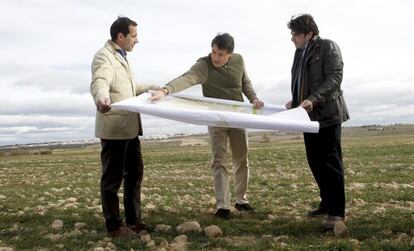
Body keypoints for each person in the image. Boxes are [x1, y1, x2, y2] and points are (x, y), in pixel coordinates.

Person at [150, 33, 264, 219]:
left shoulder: (239, 60)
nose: (216, 57)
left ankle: (241, 200)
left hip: (237, 116)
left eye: (221, 54)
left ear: (230, 55)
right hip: (215, 118)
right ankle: (223, 206)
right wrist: (165, 90)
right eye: (213, 52)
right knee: (219, 160)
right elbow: (187, 77)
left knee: (241, 159)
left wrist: (254, 98)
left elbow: (245, 82)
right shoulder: (203, 65)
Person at [285, 14, 350, 230]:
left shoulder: (328, 47)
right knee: (315, 161)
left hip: (328, 115)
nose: (292, 38)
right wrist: (295, 101)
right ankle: (326, 203)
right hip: (308, 118)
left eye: (296, 34)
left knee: (331, 163)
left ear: (309, 34)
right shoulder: (299, 53)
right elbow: (300, 81)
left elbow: (334, 78)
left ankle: (336, 213)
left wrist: (313, 99)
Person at [90, 16, 153, 237]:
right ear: (121, 36)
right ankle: (115, 226)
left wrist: (156, 89)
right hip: (115, 128)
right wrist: (102, 98)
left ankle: (134, 221)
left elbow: (131, 87)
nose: (137, 40)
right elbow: (100, 81)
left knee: (135, 174)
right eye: (134, 36)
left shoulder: (122, 57)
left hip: (130, 129)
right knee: (112, 179)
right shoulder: (104, 57)